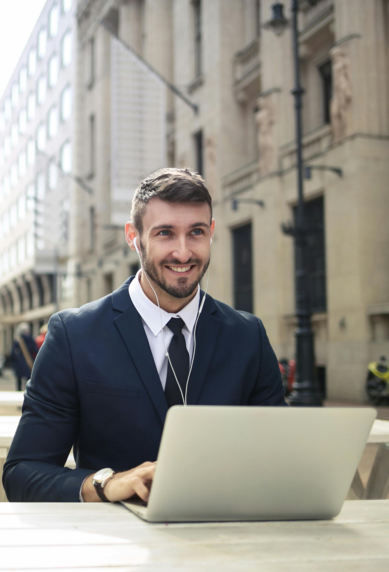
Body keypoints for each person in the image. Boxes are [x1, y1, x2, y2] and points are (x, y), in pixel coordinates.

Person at [3, 168, 286, 503]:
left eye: (196, 232)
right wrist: (107, 483)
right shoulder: (73, 335)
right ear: (133, 236)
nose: (183, 253)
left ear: (211, 233)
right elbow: (24, 472)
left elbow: (279, 457)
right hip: (118, 545)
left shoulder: (248, 336)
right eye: (165, 233)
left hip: (225, 535)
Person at [10, 323, 38, 392]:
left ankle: (18, 392)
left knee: (19, 379)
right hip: (29, 361)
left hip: (19, 363)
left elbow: (12, 352)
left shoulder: (18, 340)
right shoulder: (31, 339)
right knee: (28, 379)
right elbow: (36, 351)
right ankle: (27, 392)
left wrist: (17, 359)